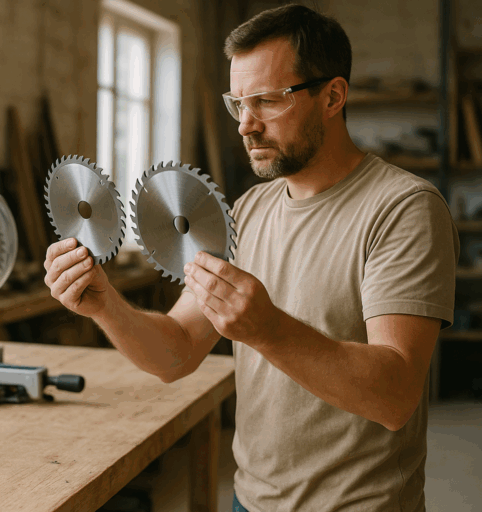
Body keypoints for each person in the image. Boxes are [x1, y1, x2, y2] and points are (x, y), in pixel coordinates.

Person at [43, 4, 458, 511]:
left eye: (265, 100)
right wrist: (104, 303)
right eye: (237, 103)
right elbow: (177, 352)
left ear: (332, 96)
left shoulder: (403, 208)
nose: (245, 125)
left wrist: (268, 329)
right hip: (250, 501)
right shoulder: (248, 210)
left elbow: (395, 397)